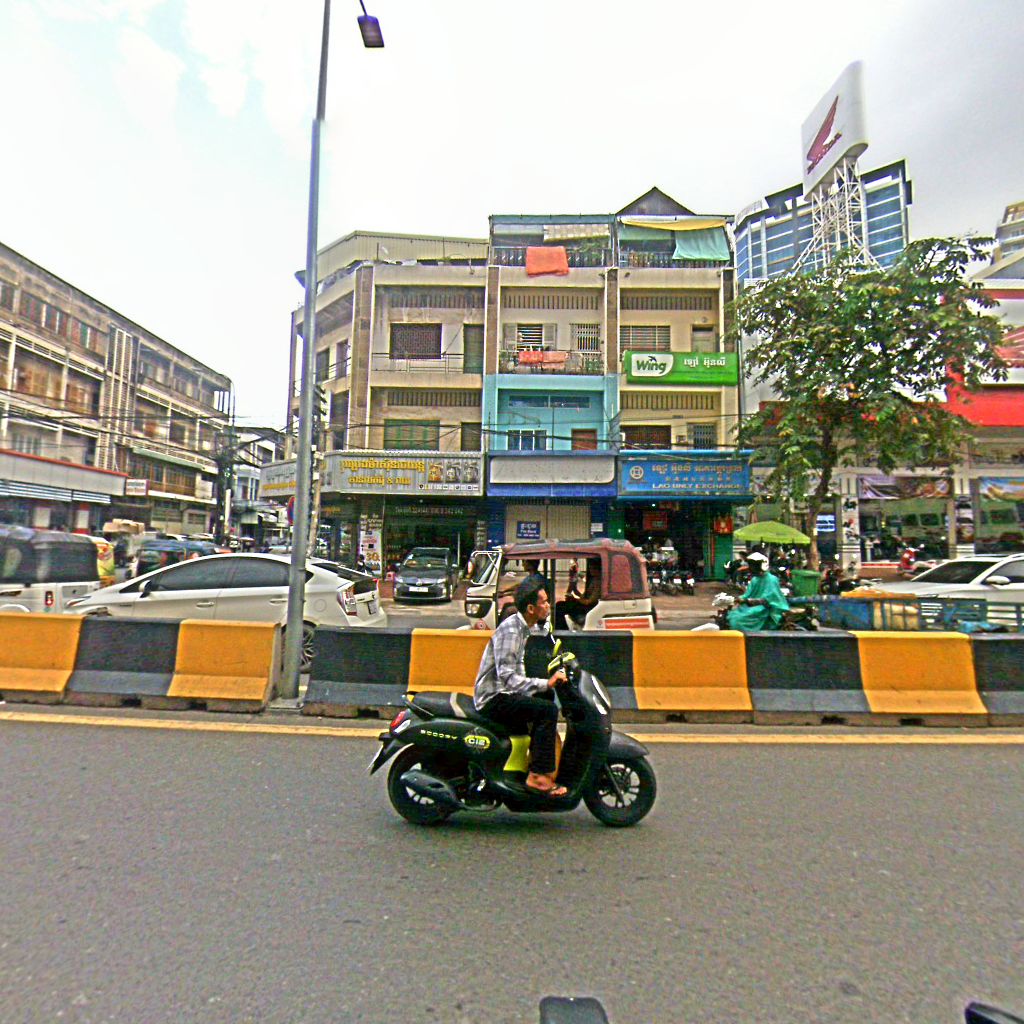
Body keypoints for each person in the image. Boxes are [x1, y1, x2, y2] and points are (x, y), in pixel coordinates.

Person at [474, 579, 567, 797]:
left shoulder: (524, 628)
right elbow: (508, 678)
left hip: (504, 693)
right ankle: (538, 776)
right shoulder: (511, 631)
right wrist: (544, 682)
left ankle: (534, 760)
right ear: (531, 609)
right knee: (547, 710)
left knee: (546, 697)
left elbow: (521, 668)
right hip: (493, 698)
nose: (548, 605)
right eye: (544, 602)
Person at [727, 551, 789, 631]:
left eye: (753, 565)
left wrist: (747, 601)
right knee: (733, 613)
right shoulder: (755, 579)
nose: (751, 568)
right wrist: (738, 599)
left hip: (765, 608)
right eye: (750, 565)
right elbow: (747, 594)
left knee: (739, 619)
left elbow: (769, 600)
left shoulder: (771, 580)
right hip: (752, 606)